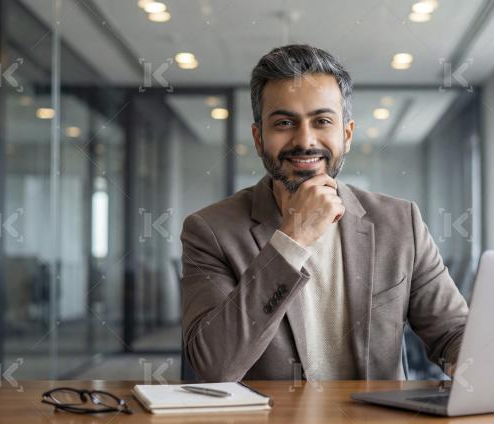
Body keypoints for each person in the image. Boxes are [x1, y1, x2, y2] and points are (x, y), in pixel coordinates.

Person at [181, 44, 468, 381]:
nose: (305, 140)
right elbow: (215, 366)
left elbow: (452, 333)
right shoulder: (210, 230)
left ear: (346, 135)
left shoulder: (400, 222)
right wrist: (293, 239)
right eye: (284, 122)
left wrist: (478, 368)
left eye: (322, 121)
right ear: (258, 139)